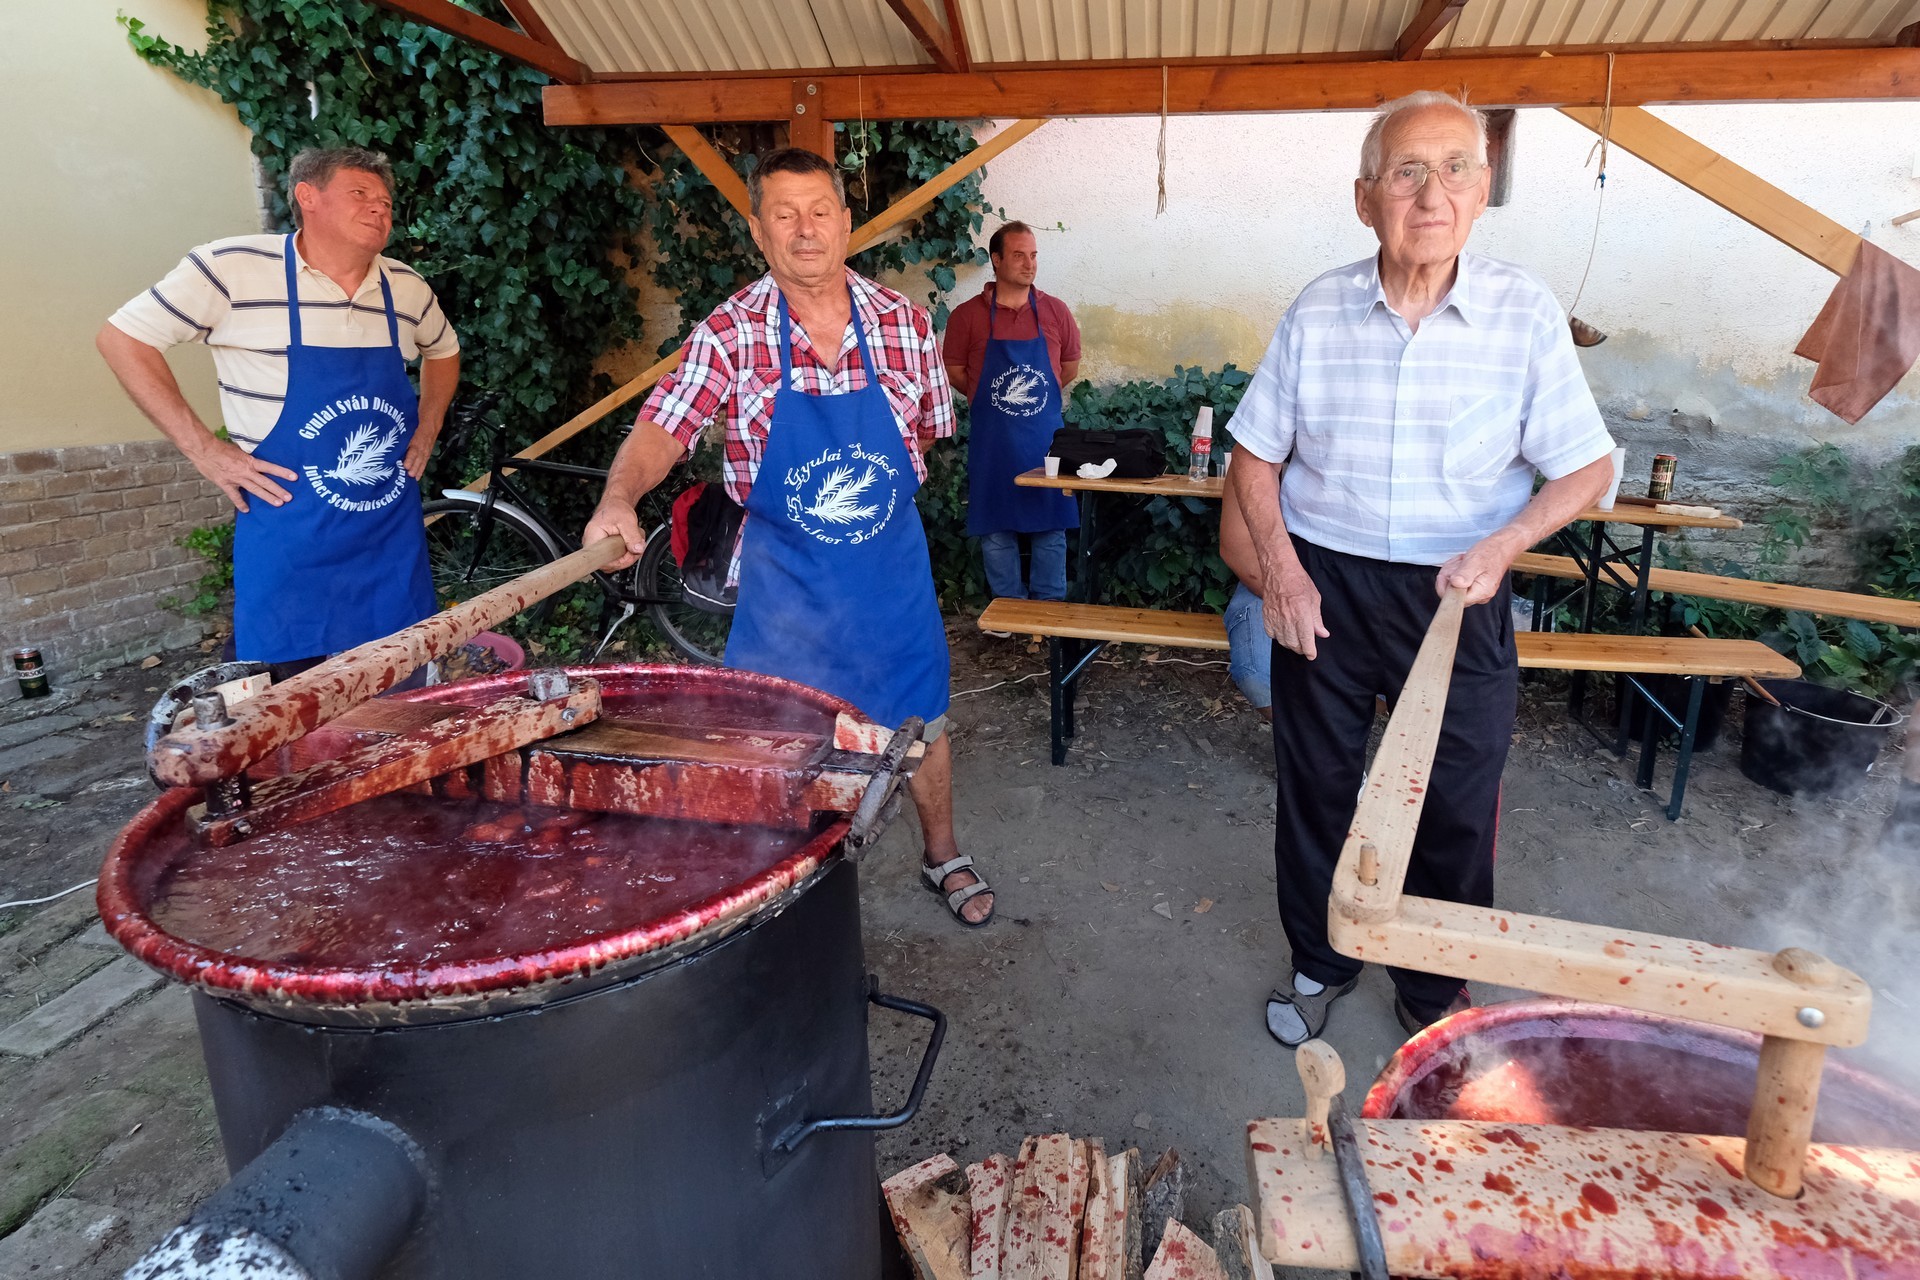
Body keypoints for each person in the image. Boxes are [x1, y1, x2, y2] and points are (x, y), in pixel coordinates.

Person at [1228, 91, 1615, 1046]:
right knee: (1317, 786)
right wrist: (1282, 572)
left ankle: (1432, 988)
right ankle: (1321, 962)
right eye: (1406, 172)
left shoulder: (1523, 312)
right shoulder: (1319, 309)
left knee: (1454, 799)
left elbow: (1587, 468)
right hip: (1327, 585)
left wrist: (1506, 543)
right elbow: (1254, 455)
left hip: (1459, 594)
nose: (1430, 195)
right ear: (1366, 198)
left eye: (1453, 170)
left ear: (1482, 191)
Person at [582, 147, 993, 927]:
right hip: (788, 598)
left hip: (890, 583)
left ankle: (942, 853)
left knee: (923, 729)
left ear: (845, 220)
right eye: (784, 214)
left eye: (819, 211)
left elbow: (926, 435)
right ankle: (783, 885)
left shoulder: (904, 323)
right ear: (758, 230)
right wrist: (617, 497)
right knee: (775, 752)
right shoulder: (731, 332)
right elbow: (665, 426)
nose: (805, 230)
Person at [98, 146, 459, 680]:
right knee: (286, 699)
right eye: (360, 193)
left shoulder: (405, 287)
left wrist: (428, 426)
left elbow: (444, 351)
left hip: (388, 537)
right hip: (289, 531)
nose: (379, 208)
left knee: (397, 693)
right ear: (307, 196)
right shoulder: (232, 268)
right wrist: (205, 450)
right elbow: (123, 339)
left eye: (386, 201)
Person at [943, 221, 1082, 620]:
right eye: (1019, 255)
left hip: (1044, 441)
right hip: (994, 442)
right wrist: (988, 397)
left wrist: (1036, 397)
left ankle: (1048, 609)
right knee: (995, 527)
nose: (1029, 264)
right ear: (996, 259)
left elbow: (1068, 367)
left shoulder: (1055, 311)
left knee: (1050, 525)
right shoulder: (967, 316)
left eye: (1033, 255)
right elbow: (955, 371)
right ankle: (1008, 611)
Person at [1217, 470, 1273, 722]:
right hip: (1268, 581)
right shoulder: (1258, 455)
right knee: (1258, 673)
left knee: (1379, 679)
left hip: (1364, 583)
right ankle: (1308, 739)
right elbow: (1237, 547)